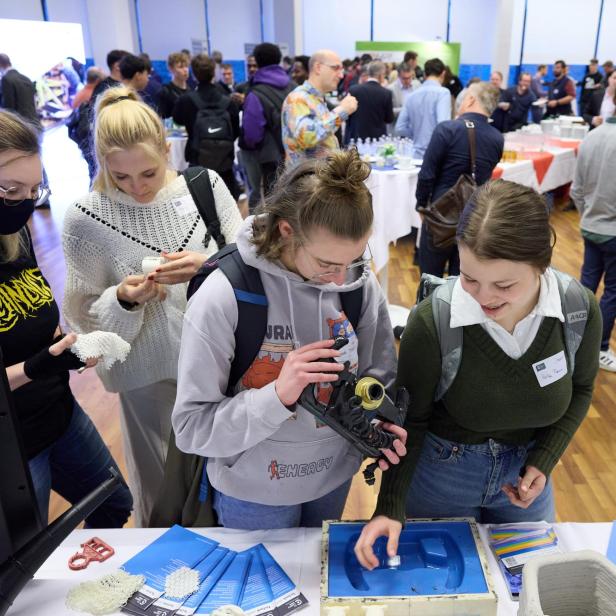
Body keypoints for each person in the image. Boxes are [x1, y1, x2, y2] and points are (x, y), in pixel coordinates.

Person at [354, 179, 602, 568]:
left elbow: (582, 388)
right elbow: (410, 421)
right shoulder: (434, 321)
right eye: (469, 278)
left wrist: (544, 459)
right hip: (439, 479)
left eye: (504, 284)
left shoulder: (577, 311)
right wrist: (389, 507)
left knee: (526, 595)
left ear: (542, 265)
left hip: (526, 483)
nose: (484, 298)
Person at [172, 149, 406, 529]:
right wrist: (278, 395)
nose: (338, 277)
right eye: (327, 264)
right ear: (286, 231)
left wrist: (379, 424)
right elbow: (192, 428)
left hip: (333, 479)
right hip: (252, 491)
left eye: (352, 259)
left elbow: (378, 381)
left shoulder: (358, 285)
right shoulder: (224, 295)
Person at [62, 87, 243, 526]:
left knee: (228, 482)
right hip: (145, 377)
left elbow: (248, 266)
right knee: (161, 492)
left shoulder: (206, 186)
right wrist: (123, 300)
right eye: (121, 177)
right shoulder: (85, 218)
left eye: (148, 171)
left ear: (167, 149)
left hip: (222, 365)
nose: (138, 188)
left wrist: (206, 265)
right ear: (101, 162)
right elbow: (82, 317)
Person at [0, 109, 133, 527]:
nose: (22, 203)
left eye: (33, 190)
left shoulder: (13, 233)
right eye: (9, 189)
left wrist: (67, 345)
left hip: (59, 414)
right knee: (24, 552)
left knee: (112, 504)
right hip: (13, 442)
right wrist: (36, 367)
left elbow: (37, 314)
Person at [416, 81, 503, 278]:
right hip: (475, 216)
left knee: (430, 279)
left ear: (471, 99)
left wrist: (421, 205)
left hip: (440, 214)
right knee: (462, 281)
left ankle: (429, 310)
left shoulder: (447, 129)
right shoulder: (497, 138)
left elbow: (427, 175)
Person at [571, 114, 616, 372]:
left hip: (591, 227)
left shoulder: (591, 136)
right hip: (611, 232)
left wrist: (587, 215)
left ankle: (573, 341)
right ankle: (599, 348)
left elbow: (577, 189)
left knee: (587, 286)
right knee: (612, 292)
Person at [173, 54, 241, 199]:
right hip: (225, 162)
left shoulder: (186, 101)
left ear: (194, 74)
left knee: (201, 204)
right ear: (214, 73)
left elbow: (177, 120)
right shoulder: (228, 102)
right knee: (227, 203)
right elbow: (235, 132)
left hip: (198, 160)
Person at [282, 50, 357, 166]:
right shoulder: (298, 98)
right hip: (305, 181)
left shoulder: (315, 99)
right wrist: (342, 110)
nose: (341, 75)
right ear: (318, 68)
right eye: (335, 68)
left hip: (317, 179)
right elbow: (307, 136)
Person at [241, 43, 294, 199]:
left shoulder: (255, 92)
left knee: (266, 198)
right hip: (293, 152)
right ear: (279, 59)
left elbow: (252, 133)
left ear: (257, 61)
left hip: (268, 155)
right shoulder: (294, 86)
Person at [395, 58, 451, 159]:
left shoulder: (412, 95)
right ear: (443, 73)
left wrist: (417, 133)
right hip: (436, 154)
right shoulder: (443, 93)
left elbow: (400, 128)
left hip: (415, 153)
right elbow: (443, 126)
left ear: (425, 74)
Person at [347, 61, 394, 141]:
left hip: (356, 137)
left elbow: (347, 114)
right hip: (377, 139)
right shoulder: (386, 93)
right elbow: (389, 119)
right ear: (381, 75)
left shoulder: (353, 90)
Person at [0, 54, 39, 126]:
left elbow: (8, 108)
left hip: (21, 127)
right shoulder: (25, 78)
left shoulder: (6, 79)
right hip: (35, 123)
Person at [158, 51, 190, 119]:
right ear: (171, 69)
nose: (185, 70)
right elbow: (163, 119)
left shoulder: (191, 90)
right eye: (180, 67)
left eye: (186, 66)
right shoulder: (165, 92)